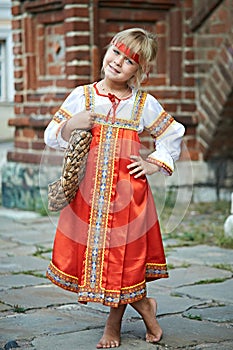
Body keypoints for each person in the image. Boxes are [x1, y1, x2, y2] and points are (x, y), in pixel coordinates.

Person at [44, 27, 185, 348]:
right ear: (107, 50)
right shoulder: (83, 95)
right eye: (116, 52)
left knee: (123, 257)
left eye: (130, 60)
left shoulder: (142, 104)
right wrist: (72, 124)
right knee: (100, 257)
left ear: (140, 70)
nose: (119, 62)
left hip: (127, 194)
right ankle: (145, 307)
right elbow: (51, 135)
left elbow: (172, 133)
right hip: (88, 194)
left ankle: (114, 322)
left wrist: (154, 163)